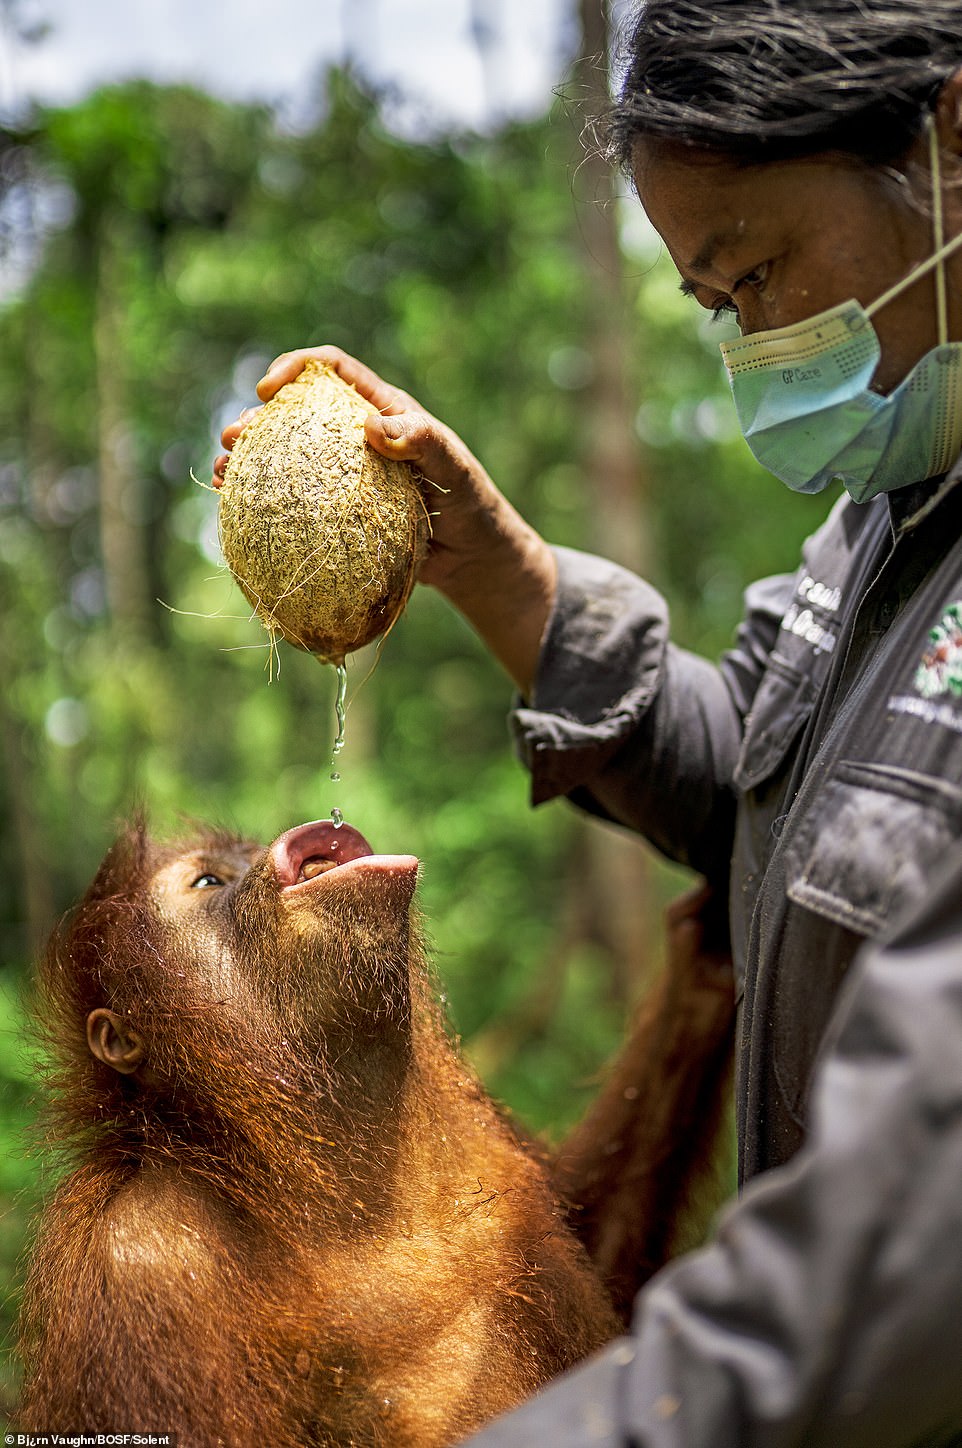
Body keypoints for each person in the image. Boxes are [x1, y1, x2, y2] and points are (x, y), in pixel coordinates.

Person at [214, 1, 962, 1440]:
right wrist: (492, 564)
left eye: (757, 271)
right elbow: (762, 779)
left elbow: (905, 1252)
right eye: (713, 304)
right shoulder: (890, 514)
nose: (751, 342)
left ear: (949, 138)